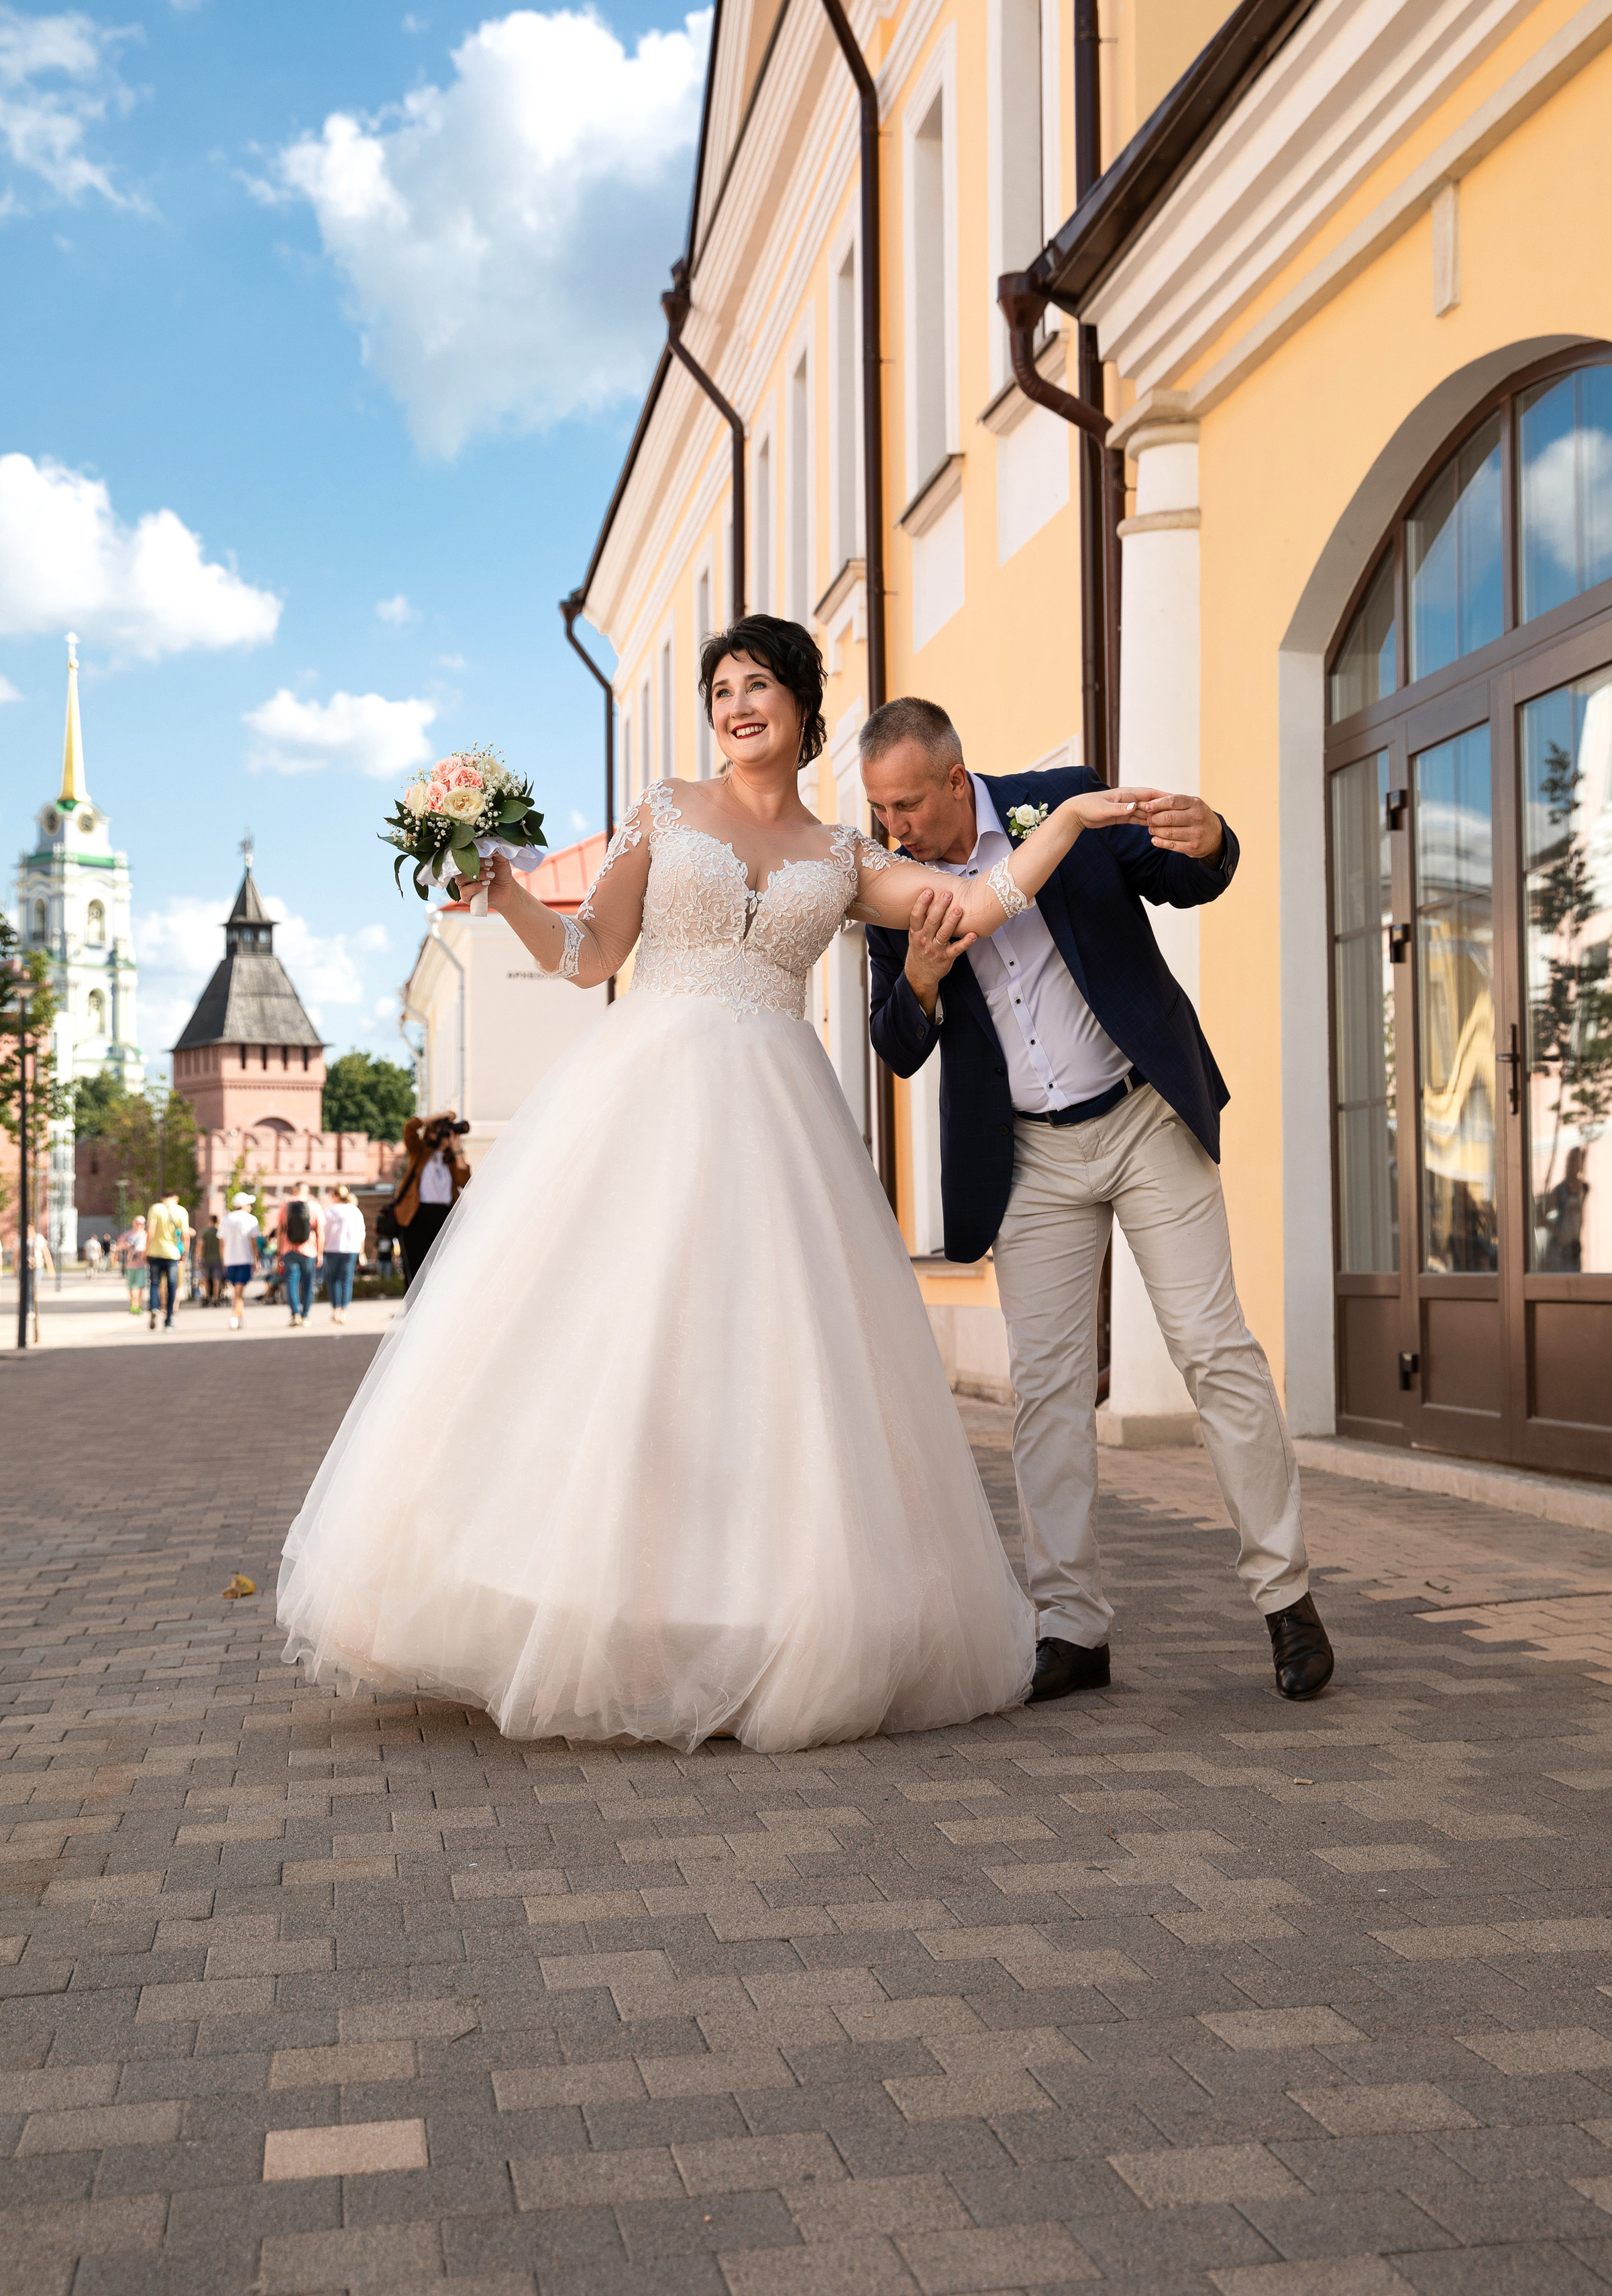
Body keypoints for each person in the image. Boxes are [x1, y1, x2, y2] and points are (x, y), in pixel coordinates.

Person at [278, 613, 1153, 1752]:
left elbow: (977, 907)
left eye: (759, 687)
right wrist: (507, 898)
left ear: (801, 707)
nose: (738, 706)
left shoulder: (843, 854)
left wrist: (1076, 818)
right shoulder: (667, 807)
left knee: (762, 1363)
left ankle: (743, 1613)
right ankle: (586, 1605)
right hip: (642, 1091)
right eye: (722, 689)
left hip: (778, 1117)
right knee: (613, 1344)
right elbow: (593, 953)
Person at [860, 696, 1334, 1705]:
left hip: (1142, 1118)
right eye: (878, 810)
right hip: (1028, 1159)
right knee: (1047, 1393)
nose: (891, 827)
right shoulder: (891, 886)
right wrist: (924, 981)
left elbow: (1178, 876)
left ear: (955, 781)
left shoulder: (1061, 806)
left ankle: (1287, 1599)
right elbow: (897, 1046)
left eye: (905, 804)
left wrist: (1215, 841)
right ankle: (1070, 1627)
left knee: (1216, 1353)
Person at [392, 1115, 469, 1287]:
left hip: (444, 1218)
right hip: (416, 1217)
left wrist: (457, 1149)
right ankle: (413, 1312)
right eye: (443, 1131)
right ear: (432, 1134)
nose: (447, 1135)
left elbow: (465, 1181)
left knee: (442, 1269)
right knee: (415, 1270)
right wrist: (442, 1116)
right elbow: (410, 1127)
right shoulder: (419, 1151)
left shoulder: (450, 1159)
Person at [273, 1185, 324, 1326]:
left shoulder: (285, 1207)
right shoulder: (315, 1207)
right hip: (309, 1250)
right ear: (307, 1191)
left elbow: (280, 1231)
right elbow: (320, 1233)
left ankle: (295, 1313)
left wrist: (278, 1253)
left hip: (289, 1250)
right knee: (308, 1283)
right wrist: (320, 1254)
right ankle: (305, 1316)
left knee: (291, 1282)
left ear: (294, 1191)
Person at [144, 1185, 191, 1331]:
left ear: (163, 1198)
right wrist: (185, 1253)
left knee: (155, 1283)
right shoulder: (181, 1210)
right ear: (176, 1199)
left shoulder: (156, 1208)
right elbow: (185, 1235)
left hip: (155, 1253)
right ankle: (169, 1320)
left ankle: (154, 1308)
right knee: (172, 1287)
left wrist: (146, 1250)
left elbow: (150, 1230)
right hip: (172, 1254)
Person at [321, 1183, 365, 1325]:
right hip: (351, 1249)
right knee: (347, 1280)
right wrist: (362, 1251)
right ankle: (344, 1312)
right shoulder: (355, 1210)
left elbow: (323, 1232)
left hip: (332, 1249)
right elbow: (361, 1233)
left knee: (334, 1280)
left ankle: (336, 1311)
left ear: (335, 1196)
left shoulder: (329, 1211)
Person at [220, 1191, 260, 1328]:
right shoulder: (251, 1219)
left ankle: (240, 1318)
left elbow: (222, 1242)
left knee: (237, 1290)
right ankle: (234, 1317)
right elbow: (254, 1243)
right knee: (239, 1292)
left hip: (230, 1260)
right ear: (244, 1205)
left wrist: (224, 1259)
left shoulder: (226, 1219)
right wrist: (257, 1259)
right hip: (244, 1259)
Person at [121, 1215, 148, 1316]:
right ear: (133, 1223)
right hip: (130, 1264)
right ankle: (134, 1304)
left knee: (141, 1286)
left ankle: (139, 1305)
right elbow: (119, 1246)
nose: (139, 1225)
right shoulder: (128, 1235)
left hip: (142, 1264)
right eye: (137, 1222)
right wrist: (125, 1245)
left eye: (142, 1223)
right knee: (132, 1286)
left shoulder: (146, 1235)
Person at [198, 1213, 222, 1307]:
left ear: (210, 1221)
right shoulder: (220, 1231)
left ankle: (208, 1297)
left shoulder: (205, 1232)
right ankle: (216, 1298)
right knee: (217, 1279)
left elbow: (201, 1246)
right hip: (218, 1259)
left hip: (207, 1259)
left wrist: (200, 1258)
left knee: (206, 1279)